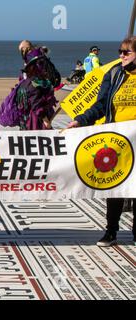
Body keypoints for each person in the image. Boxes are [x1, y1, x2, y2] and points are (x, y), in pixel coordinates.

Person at [68, 36, 136, 246]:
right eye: (120, 51)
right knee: (115, 186)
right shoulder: (114, 74)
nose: (121, 56)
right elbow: (101, 104)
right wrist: (81, 120)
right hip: (118, 139)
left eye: (126, 52)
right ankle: (111, 231)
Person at [16, 47, 57, 130]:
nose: (44, 67)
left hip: (27, 121)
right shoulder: (35, 83)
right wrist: (46, 121)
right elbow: (36, 105)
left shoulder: (26, 81)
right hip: (35, 123)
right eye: (41, 64)